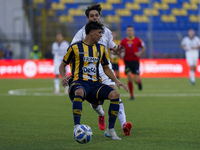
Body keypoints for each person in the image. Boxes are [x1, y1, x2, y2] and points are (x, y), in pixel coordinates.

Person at [60, 21, 129, 140]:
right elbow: (62, 65)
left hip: (95, 83)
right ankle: (77, 127)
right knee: (79, 92)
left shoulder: (101, 49)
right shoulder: (75, 47)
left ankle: (110, 130)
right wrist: (64, 76)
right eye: (99, 33)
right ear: (91, 33)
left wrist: (117, 81)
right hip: (79, 81)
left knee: (115, 95)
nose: (101, 36)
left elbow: (106, 68)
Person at [71, 4, 132, 136]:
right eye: (91, 16)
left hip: (105, 68)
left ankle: (124, 124)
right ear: (87, 18)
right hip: (89, 71)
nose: (94, 18)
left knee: (114, 93)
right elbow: (72, 49)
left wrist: (115, 50)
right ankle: (101, 113)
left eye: (96, 15)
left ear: (99, 17)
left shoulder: (107, 32)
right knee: (94, 103)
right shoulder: (81, 33)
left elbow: (112, 47)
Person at [120, 26, 146, 100]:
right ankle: (132, 95)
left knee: (136, 79)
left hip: (135, 62)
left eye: (131, 30)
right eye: (129, 30)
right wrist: (121, 53)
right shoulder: (123, 41)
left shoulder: (138, 40)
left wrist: (140, 53)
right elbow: (120, 49)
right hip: (127, 62)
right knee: (129, 76)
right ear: (126, 32)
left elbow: (144, 47)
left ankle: (139, 82)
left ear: (133, 32)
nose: (130, 32)